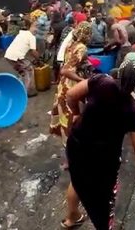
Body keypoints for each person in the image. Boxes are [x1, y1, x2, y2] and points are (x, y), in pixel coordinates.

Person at [62, 63, 135, 229]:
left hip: (77, 144)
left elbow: (71, 95)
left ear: (118, 73)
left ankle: (72, 217)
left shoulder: (101, 81)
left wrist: (77, 113)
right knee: (103, 201)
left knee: (77, 179)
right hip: (103, 159)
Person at [50, 22, 94, 170]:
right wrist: (84, 81)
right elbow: (66, 70)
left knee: (67, 121)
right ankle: (72, 159)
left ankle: (71, 156)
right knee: (73, 121)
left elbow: (64, 66)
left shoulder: (72, 43)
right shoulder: (81, 47)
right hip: (71, 86)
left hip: (64, 86)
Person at [3, 19, 39, 97]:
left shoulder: (22, 34)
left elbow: (25, 48)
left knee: (22, 72)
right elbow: (33, 51)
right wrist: (38, 59)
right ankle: (25, 92)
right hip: (17, 57)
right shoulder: (31, 37)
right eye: (35, 26)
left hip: (9, 56)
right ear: (29, 27)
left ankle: (19, 89)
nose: (37, 29)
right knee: (28, 71)